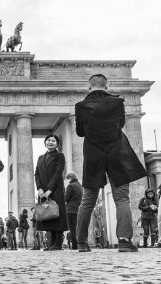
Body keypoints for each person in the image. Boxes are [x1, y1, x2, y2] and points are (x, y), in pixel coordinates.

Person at [75, 74, 147, 252]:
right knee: (122, 198)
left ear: (89, 87)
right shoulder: (117, 103)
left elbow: (80, 132)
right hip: (117, 152)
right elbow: (121, 124)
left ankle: (82, 242)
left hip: (93, 154)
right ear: (107, 87)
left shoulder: (81, 106)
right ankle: (124, 240)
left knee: (87, 200)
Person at [35, 134, 68, 251]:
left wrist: (50, 189)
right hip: (43, 191)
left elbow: (58, 172)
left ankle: (58, 243)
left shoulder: (60, 156)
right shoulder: (40, 158)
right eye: (48, 140)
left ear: (57, 144)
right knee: (48, 216)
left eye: (53, 141)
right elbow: (37, 173)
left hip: (55, 189)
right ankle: (52, 243)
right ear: (45, 142)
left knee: (57, 215)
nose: (50, 142)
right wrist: (39, 188)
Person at [64, 172, 83, 250]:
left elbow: (66, 198)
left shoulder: (71, 186)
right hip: (79, 209)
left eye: (68, 179)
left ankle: (75, 246)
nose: (68, 180)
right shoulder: (79, 185)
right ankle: (80, 243)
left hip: (71, 210)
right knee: (78, 227)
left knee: (72, 229)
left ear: (70, 178)